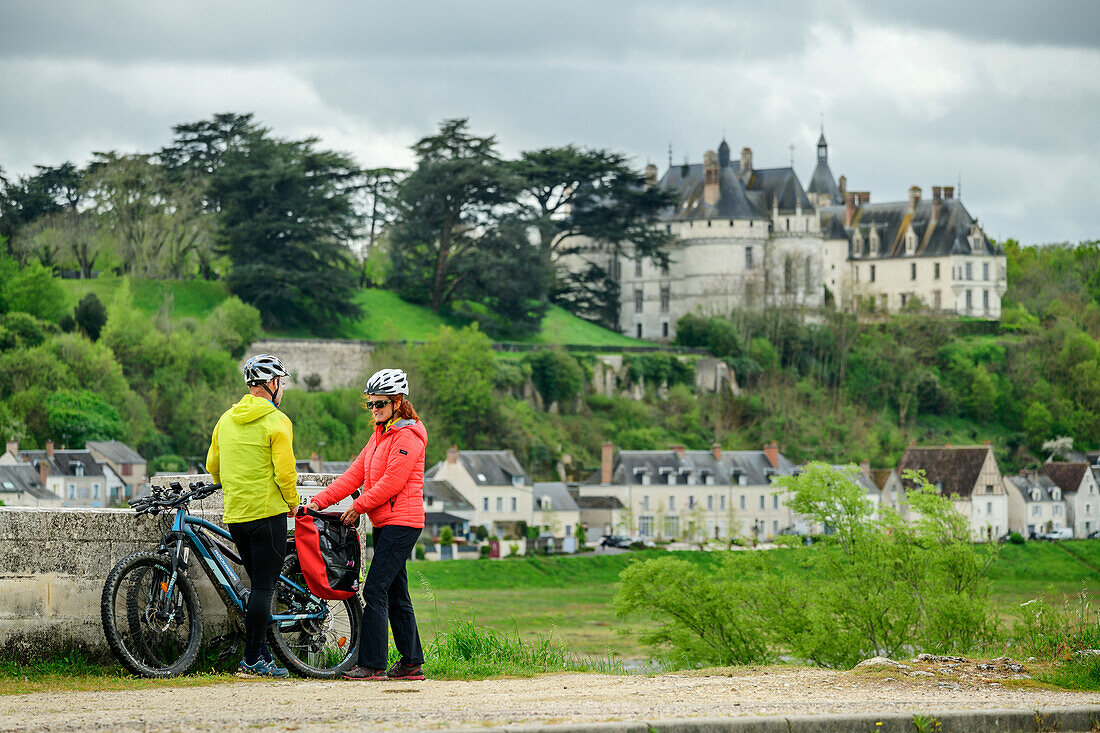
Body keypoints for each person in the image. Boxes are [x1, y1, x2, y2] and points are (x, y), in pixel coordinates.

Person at [307, 368, 427, 681]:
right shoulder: (379, 437)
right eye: (371, 404)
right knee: (395, 592)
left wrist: (358, 506)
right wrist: (319, 502)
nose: (374, 410)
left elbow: (392, 481)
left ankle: (372, 665)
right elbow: (353, 476)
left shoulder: (408, 436)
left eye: (381, 404)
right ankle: (412, 662)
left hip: (403, 522)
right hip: (386, 522)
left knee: (374, 589)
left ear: (398, 402)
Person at [206, 353, 299, 678]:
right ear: (271, 385)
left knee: (255, 585)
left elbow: (212, 467)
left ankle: (261, 655)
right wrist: (292, 502)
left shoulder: (226, 419)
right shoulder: (277, 421)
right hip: (268, 514)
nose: (282, 388)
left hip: (237, 515)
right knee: (263, 587)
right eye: (281, 382)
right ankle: (251, 661)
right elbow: (286, 473)